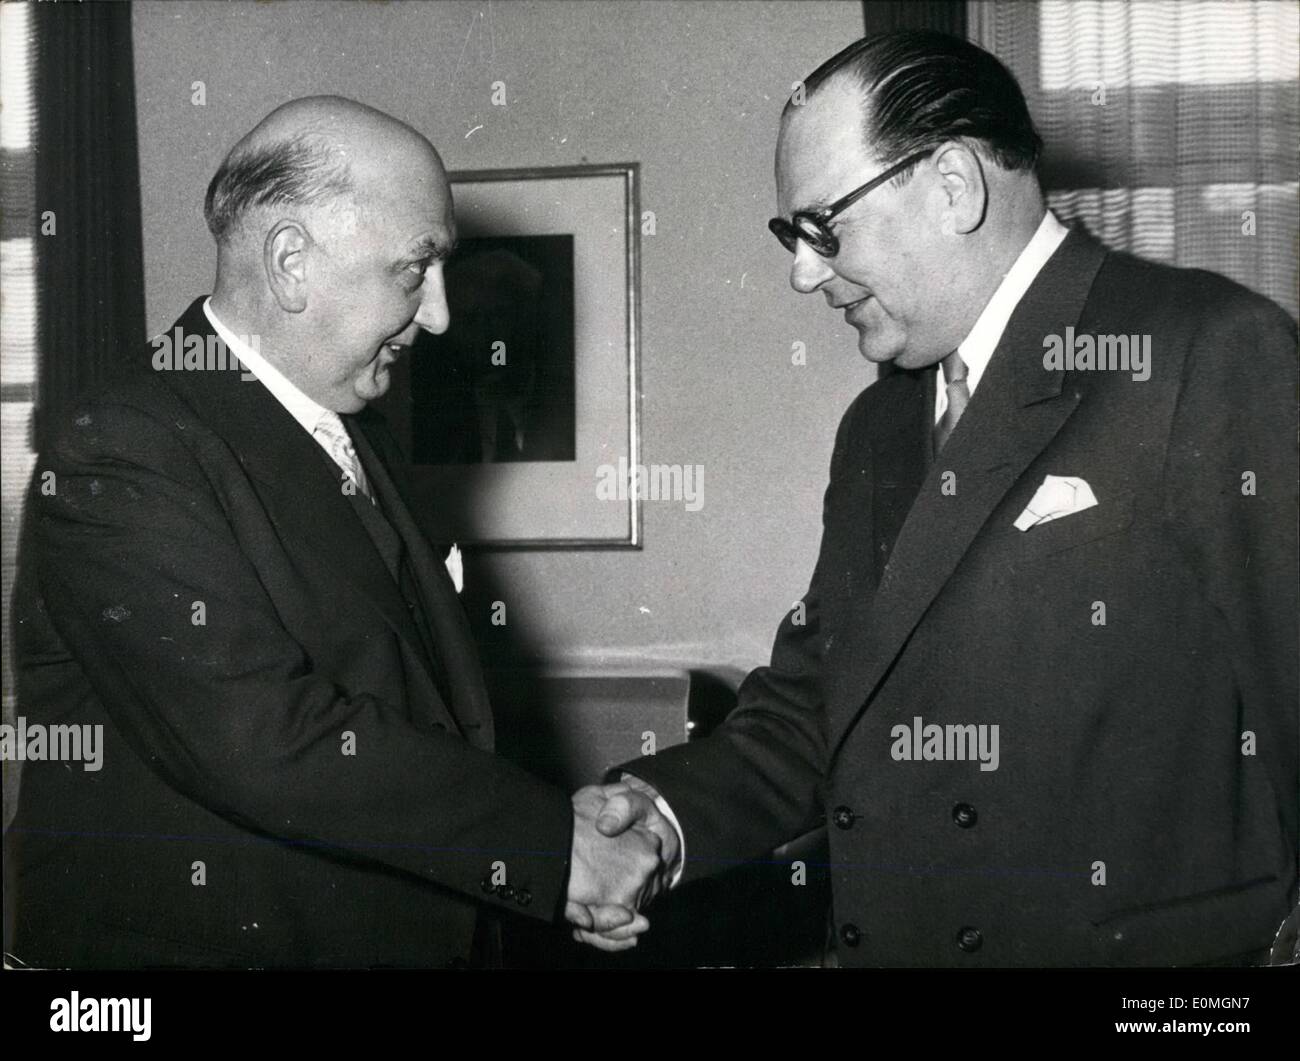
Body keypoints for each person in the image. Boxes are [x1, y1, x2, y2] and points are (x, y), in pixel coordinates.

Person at [577, 30, 1298, 966]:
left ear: (953, 185)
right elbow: (823, 702)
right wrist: (659, 822)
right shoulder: (878, 427)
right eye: (790, 237)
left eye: (822, 227)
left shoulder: (1206, 351)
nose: (803, 272)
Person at [6, 96, 667, 969]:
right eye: (413, 268)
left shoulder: (351, 429)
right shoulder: (123, 448)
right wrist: (548, 850)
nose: (437, 315)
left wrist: (543, 852)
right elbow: (263, 737)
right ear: (289, 263)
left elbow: (413, 713)